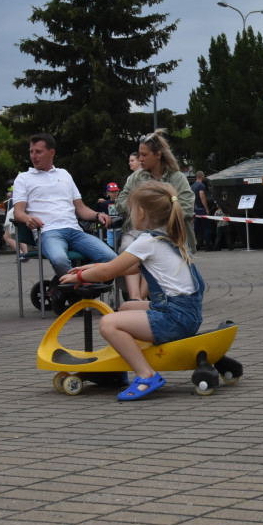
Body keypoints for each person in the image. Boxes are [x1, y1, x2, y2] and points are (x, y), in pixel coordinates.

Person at [60, 182, 203, 402]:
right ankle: (126, 363)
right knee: (126, 307)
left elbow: (110, 270)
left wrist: (79, 277)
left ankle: (146, 374)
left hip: (175, 317)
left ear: (142, 213)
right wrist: (89, 268)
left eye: (131, 210)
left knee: (109, 323)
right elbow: (128, 266)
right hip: (186, 311)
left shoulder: (146, 241)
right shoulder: (165, 236)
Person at [12, 133, 116, 279]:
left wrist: (98, 215)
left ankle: (82, 283)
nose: (33, 156)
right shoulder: (24, 178)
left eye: (38, 152)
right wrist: (28, 218)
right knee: (60, 260)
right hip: (48, 231)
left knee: (111, 258)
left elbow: (81, 209)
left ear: (52, 152)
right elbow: (18, 213)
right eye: (31, 151)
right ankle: (77, 288)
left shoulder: (64, 174)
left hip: (75, 231)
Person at [116, 130, 196, 299]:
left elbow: (187, 207)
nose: (140, 159)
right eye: (139, 155)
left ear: (158, 155)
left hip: (168, 229)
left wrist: (150, 208)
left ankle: (139, 299)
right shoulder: (136, 177)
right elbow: (121, 203)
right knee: (128, 249)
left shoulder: (177, 178)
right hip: (136, 229)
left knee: (152, 249)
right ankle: (135, 297)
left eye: (144, 155)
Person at [190, 170, 214, 251]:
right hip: (202, 209)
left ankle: (194, 246)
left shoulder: (192, 186)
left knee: (196, 229)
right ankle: (208, 246)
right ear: (202, 176)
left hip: (195, 210)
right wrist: (206, 208)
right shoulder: (201, 185)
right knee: (206, 228)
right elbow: (202, 196)